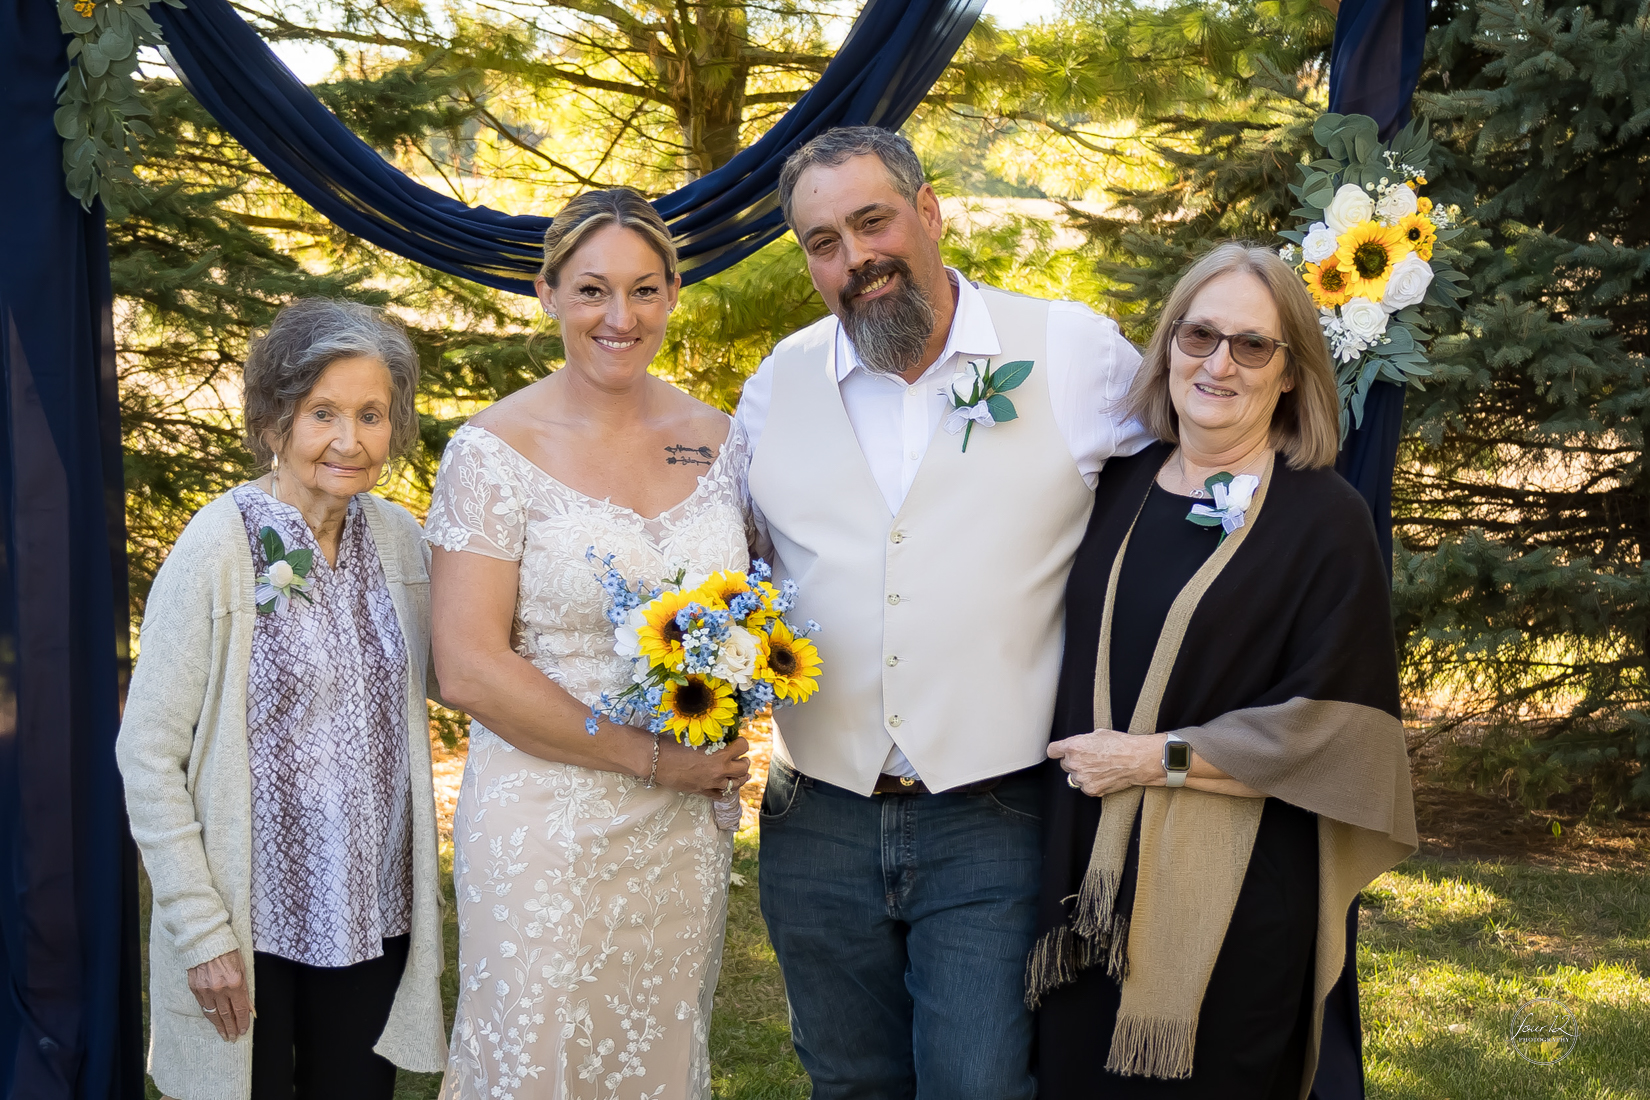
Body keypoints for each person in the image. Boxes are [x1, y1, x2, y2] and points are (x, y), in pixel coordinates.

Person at [738, 125, 1151, 1100]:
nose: (855, 257)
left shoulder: (1074, 354)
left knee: (978, 1084)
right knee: (847, 1082)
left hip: (994, 810)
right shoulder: (777, 384)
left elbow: (1186, 488)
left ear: (928, 211)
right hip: (816, 810)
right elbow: (733, 564)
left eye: (872, 221)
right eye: (824, 242)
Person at [1030, 242, 1419, 1098]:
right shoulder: (1116, 485)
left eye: (1251, 345)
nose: (1218, 364)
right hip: (1083, 880)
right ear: (1169, 343)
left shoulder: (1325, 519)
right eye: (1199, 335)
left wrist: (1151, 758)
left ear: (1290, 373)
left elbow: (1337, 735)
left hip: (1235, 900)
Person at [426, 187, 752, 1100]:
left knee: (656, 1051)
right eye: (592, 290)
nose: (621, 317)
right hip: (545, 817)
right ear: (547, 294)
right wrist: (653, 759)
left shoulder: (721, 441)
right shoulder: (491, 451)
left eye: (645, 290)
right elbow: (469, 668)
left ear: (674, 293)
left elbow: (761, 607)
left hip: (680, 829)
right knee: (538, 1058)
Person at [117, 299, 447, 1100]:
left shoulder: (399, 539)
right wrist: (202, 932)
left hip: (371, 911)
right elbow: (148, 754)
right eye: (322, 413)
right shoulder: (217, 546)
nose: (350, 440)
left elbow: (458, 674)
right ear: (274, 421)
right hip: (249, 919)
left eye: (372, 415)